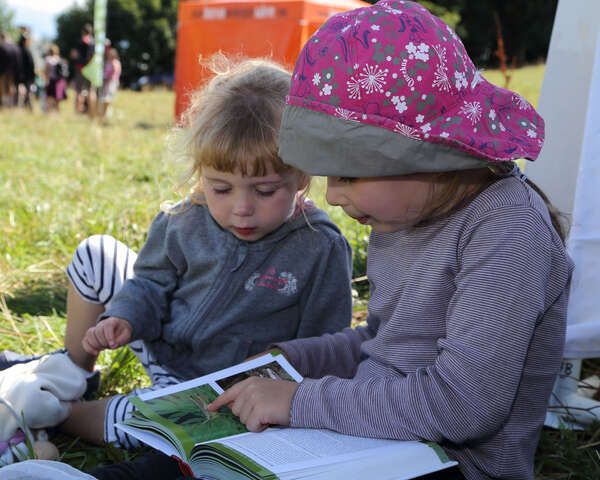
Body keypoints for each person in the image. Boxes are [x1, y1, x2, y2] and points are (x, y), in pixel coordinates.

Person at [206, 2, 574, 480]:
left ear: (430, 154)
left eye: (350, 174)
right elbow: (386, 343)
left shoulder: (508, 230)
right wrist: (292, 358)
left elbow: (465, 405)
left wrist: (302, 400)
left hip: (450, 465)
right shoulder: (404, 211)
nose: (333, 196)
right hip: (369, 445)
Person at [0, 58, 352, 455]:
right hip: (158, 342)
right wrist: (124, 316)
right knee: (95, 253)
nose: (241, 208)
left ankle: (54, 414)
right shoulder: (185, 217)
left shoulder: (320, 247)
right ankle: (74, 371)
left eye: (264, 191)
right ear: (201, 172)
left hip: (215, 390)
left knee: (150, 425)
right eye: (221, 188)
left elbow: (326, 343)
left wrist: (278, 380)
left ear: (302, 177)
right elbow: (150, 283)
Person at [0, 31, 22, 108]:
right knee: (11, 87)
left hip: (2, 71)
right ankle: (11, 105)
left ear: (1, 38)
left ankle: (4, 105)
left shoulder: (1, 47)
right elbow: (18, 60)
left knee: (2, 88)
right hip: (13, 71)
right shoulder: (15, 47)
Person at [72, 23, 95, 114]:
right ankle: (91, 111)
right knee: (91, 90)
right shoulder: (94, 42)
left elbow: (74, 54)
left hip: (80, 68)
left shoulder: (80, 41)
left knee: (79, 91)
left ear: (83, 32)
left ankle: (77, 111)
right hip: (91, 69)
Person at [44, 44, 68, 112]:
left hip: (52, 81)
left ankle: (49, 113)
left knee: (49, 99)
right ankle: (56, 113)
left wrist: (46, 82)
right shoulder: (60, 59)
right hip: (60, 81)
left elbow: (46, 72)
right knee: (57, 100)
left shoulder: (48, 59)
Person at [100, 47, 121, 118]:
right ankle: (105, 113)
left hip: (111, 82)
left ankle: (105, 114)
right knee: (105, 98)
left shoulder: (115, 62)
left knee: (107, 98)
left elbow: (114, 73)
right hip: (107, 81)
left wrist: (107, 80)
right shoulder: (109, 62)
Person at [17, 28, 35, 110]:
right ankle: (28, 107)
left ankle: (21, 107)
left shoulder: (17, 50)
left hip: (19, 76)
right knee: (27, 93)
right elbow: (31, 64)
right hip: (27, 76)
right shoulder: (27, 51)